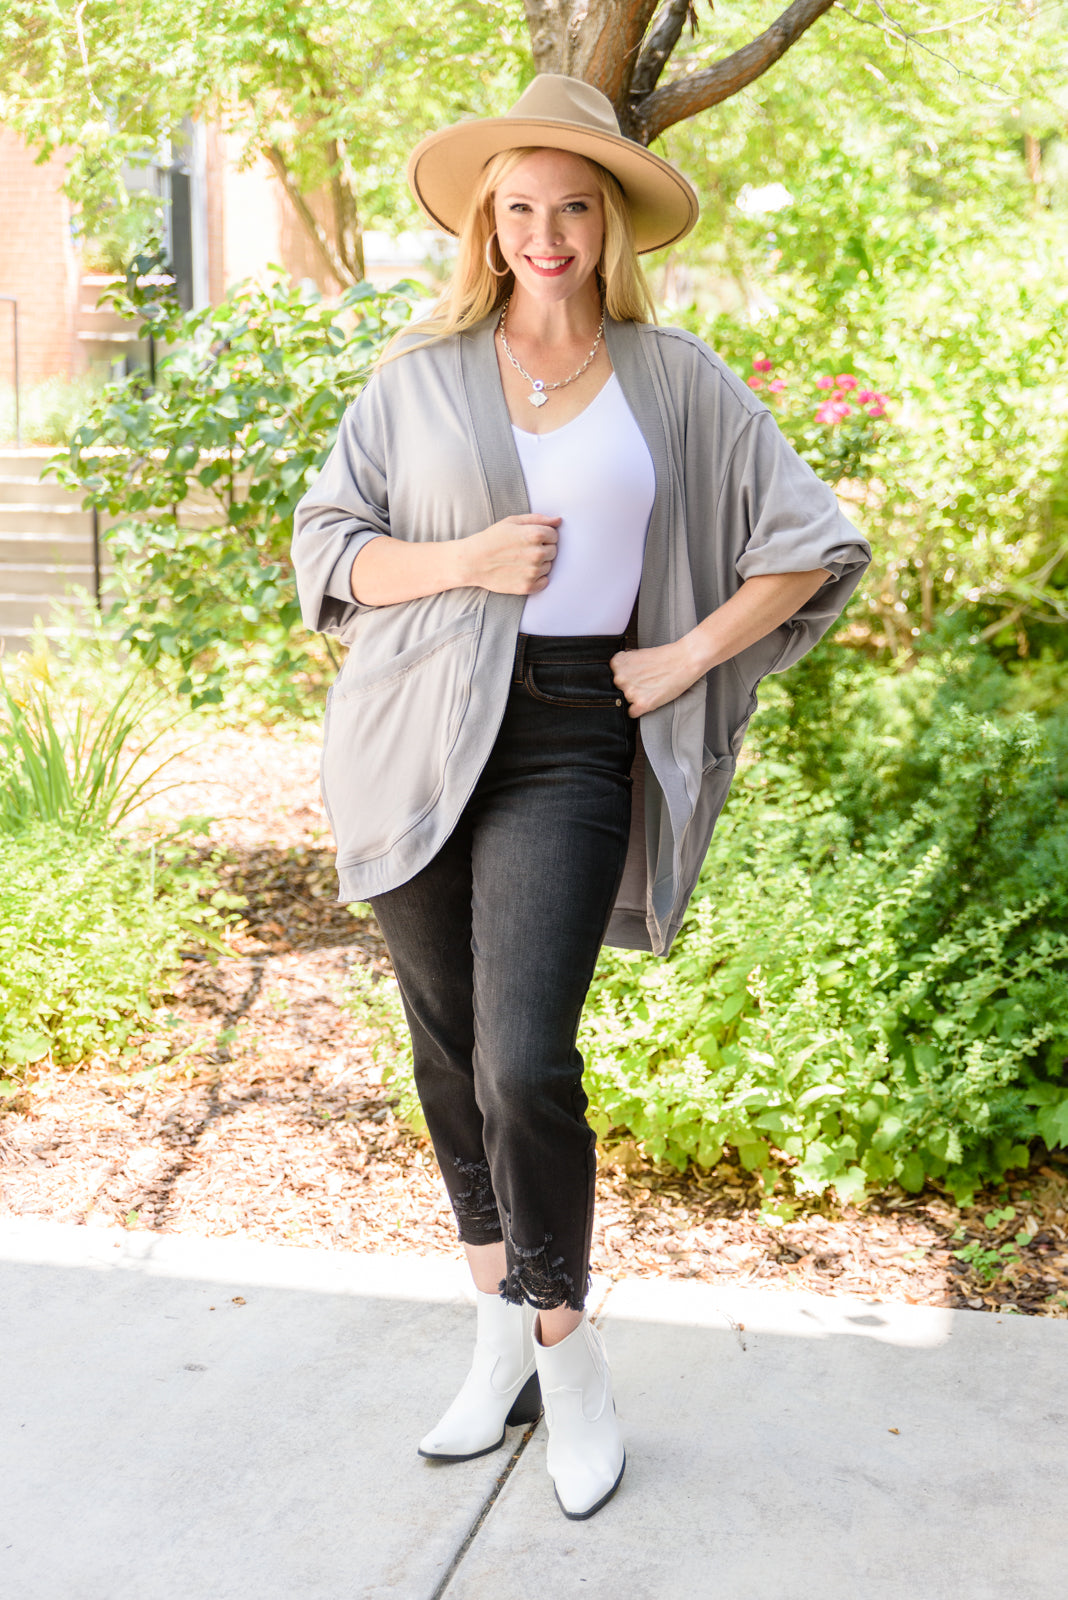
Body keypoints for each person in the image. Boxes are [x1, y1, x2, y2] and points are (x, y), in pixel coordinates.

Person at [292, 75, 870, 1521]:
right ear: (488, 226)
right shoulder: (417, 378)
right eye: (521, 208)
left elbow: (811, 543)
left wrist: (683, 656)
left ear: (608, 225)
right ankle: (498, 1335)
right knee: (446, 1055)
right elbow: (329, 547)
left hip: (569, 731)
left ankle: (570, 1350)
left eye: (572, 208)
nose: (545, 232)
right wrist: (463, 561)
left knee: (524, 1061)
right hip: (415, 726)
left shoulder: (674, 378)